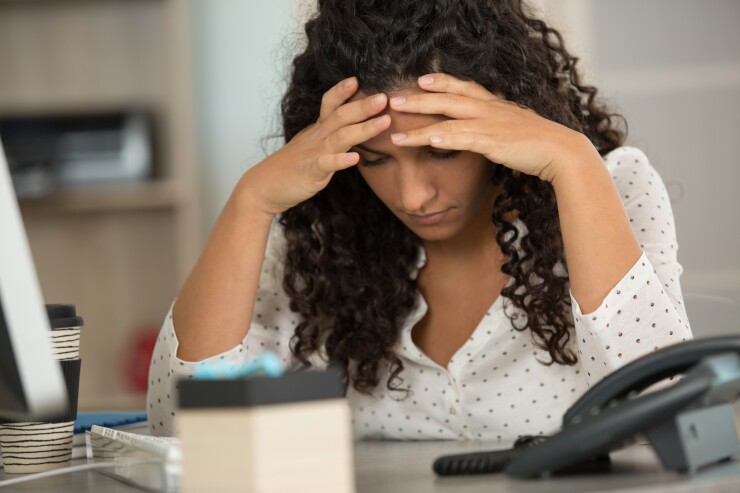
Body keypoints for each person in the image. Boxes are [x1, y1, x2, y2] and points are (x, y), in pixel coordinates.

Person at [147, 0, 692, 441]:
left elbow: (666, 413)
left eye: (441, 150)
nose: (412, 196)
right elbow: (182, 429)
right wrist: (251, 201)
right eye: (376, 160)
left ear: (502, 120)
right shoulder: (320, 231)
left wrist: (571, 161)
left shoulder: (609, 185)